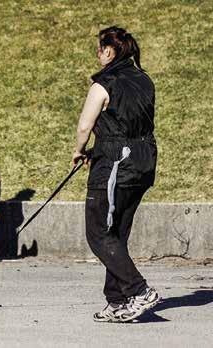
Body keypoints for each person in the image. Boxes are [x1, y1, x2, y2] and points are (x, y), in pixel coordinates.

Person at [72, 26, 160, 323]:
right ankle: (117, 300)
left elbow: (85, 126)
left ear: (109, 51)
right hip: (144, 159)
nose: (98, 54)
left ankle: (139, 291)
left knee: (98, 232)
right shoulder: (145, 80)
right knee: (117, 233)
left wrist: (79, 150)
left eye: (100, 49)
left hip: (115, 161)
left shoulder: (103, 83)